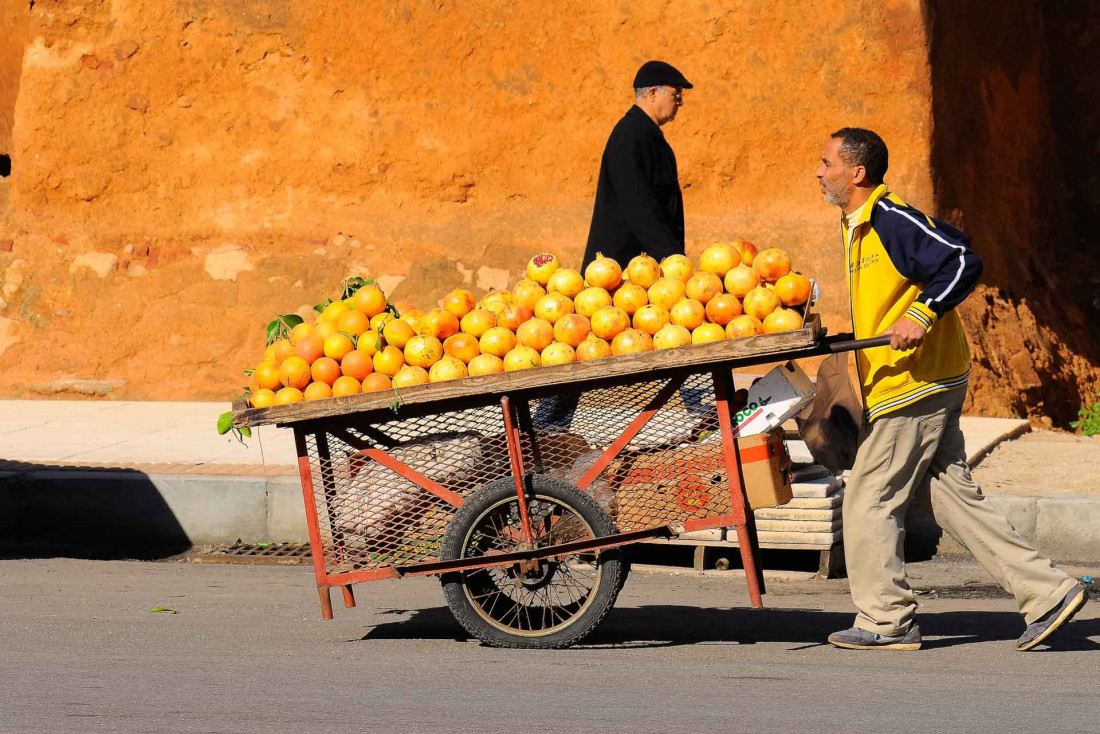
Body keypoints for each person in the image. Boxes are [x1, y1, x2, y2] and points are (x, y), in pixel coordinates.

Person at [815, 127, 1087, 651]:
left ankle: (885, 620)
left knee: (870, 497)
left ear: (857, 173)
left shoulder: (891, 218)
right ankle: (1049, 592)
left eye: (826, 162)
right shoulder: (857, 226)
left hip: (915, 383)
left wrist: (922, 313)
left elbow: (962, 259)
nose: (818, 171)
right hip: (910, 380)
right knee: (951, 497)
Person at [581, 60, 692, 272]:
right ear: (652, 93)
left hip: (646, 270)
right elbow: (640, 208)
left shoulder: (648, 136)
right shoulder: (629, 137)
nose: (680, 103)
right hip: (620, 273)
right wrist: (673, 259)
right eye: (676, 95)